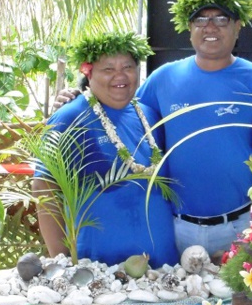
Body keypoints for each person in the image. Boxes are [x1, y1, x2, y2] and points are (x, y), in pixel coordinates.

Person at [54, 0, 252, 257]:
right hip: (174, 228)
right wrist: (78, 95)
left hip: (238, 226)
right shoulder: (163, 78)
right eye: (200, 20)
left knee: (237, 299)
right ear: (189, 29)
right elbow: (120, 107)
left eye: (221, 19)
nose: (209, 27)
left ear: (238, 26)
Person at [32, 31, 179, 268]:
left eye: (128, 67)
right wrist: (62, 262)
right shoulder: (68, 117)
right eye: (108, 69)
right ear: (88, 73)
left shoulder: (150, 115)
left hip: (162, 267)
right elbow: (44, 189)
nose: (120, 76)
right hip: (97, 270)